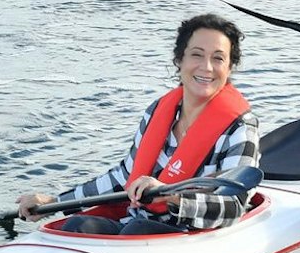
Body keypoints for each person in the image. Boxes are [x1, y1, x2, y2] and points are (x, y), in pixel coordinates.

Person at [16, 14, 260, 235]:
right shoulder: (158, 112)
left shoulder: (240, 128)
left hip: (190, 237)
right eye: (196, 54)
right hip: (137, 229)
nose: (207, 67)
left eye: (218, 58)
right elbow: (123, 177)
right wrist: (54, 202)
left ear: (229, 68)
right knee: (78, 225)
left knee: (138, 227)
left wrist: (173, 197)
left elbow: (234, 207)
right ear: (179, 60)